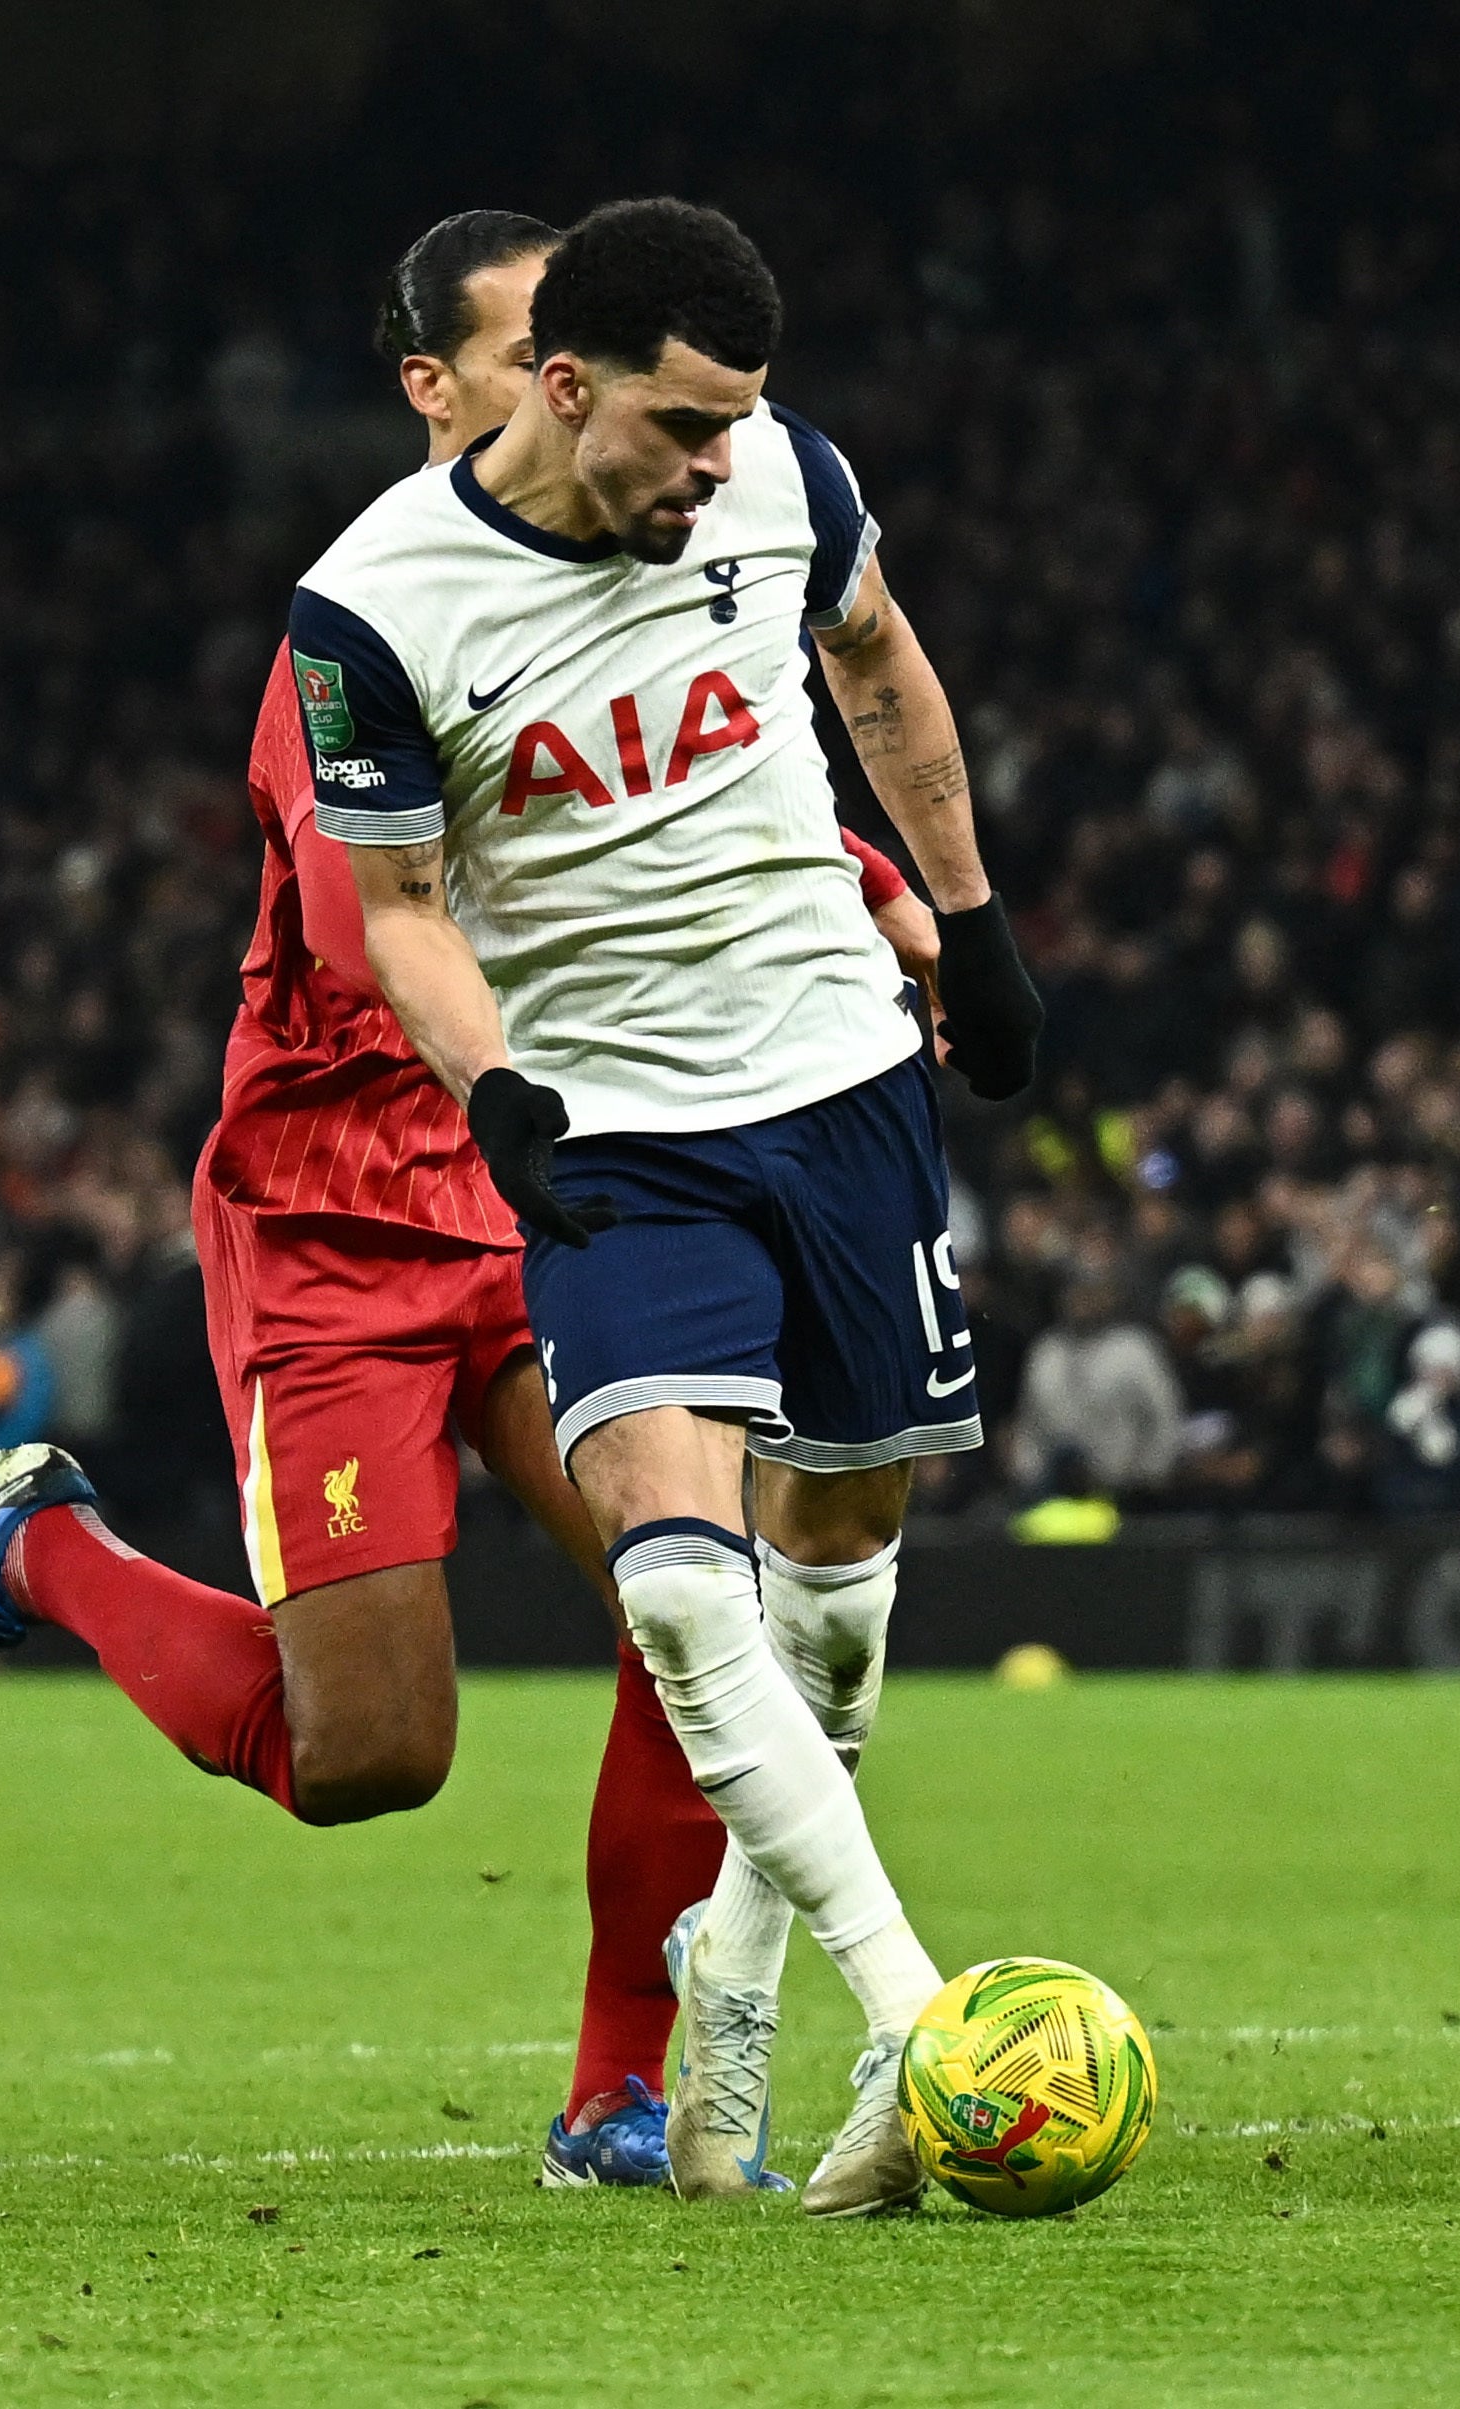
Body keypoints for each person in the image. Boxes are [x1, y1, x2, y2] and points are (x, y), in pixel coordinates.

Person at [0, 210, 943, 2196]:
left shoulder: (642, 556)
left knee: (684, 1599)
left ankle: (622, 2082)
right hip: (336, 1222)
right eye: (538, 346)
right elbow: (401, 926)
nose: (595, 394)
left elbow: (716, 782)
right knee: (372, 1755)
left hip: (568, 1187)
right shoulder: (365, 629)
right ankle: (44, 1553)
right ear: (440, 389)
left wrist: (870, 893)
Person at [290, 197, 1040, 2216]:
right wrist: (501, 1091)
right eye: (681, 429)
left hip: (845, 1085)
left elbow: (875, 659)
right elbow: (404, 911)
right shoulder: (373, 605)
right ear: (562, 386)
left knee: (843, 1578)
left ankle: (736, 1958)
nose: (717, 466)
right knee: (683, 1583)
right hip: (626, 1136)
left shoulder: (787, 476)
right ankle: (912, 2011)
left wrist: (965, 921)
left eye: (739, 427)